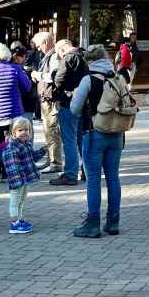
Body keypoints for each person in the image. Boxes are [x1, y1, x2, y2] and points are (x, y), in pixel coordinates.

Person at [70, 44, 128, 238]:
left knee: (93, 179)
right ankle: (113, 221)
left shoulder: (89, 79)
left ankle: (93, 223)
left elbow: (74, 109)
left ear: (89, 60)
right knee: (113, 177)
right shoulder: (118, 77)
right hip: (117, 133)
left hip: (94, 133)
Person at [0, 43, 31, 183]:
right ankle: (8, 172)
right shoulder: (15, 69)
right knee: (10, 144)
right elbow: (27, 87)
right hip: (13, 114)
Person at [0, 116, 47, 234]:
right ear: (13, 132)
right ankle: (14, 224)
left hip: (24, 179)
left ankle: (19, 219)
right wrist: (17, 180)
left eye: (26, 130)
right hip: (17, 180)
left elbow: (32, 157)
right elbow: (12, 166)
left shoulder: (26, 144)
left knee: (22, 200)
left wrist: (43, 150)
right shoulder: (12, 147)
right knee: (15, 200)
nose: (24, 132)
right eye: (20, 130)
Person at [50, 39, 88, 186]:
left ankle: (71, 174)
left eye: (58, 54)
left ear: (61, 49)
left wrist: (53, 74)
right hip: (84, 103)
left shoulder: (68, 57)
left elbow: (59, 80)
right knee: (81, 138)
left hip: (68, 102)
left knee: (69, 140)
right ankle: (86, 170)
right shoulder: (85, 56)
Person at [31, 32, 62, 175]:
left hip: (51, 100)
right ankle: (51, 159)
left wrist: (37, 75)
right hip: (46, 99)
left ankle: (55, 162)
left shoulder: (54, 56)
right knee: (48, 131)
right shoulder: (48, 56)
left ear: (45, 42)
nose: (37, 49)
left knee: (52, 131)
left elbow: (54, 76)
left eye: (38, 45)